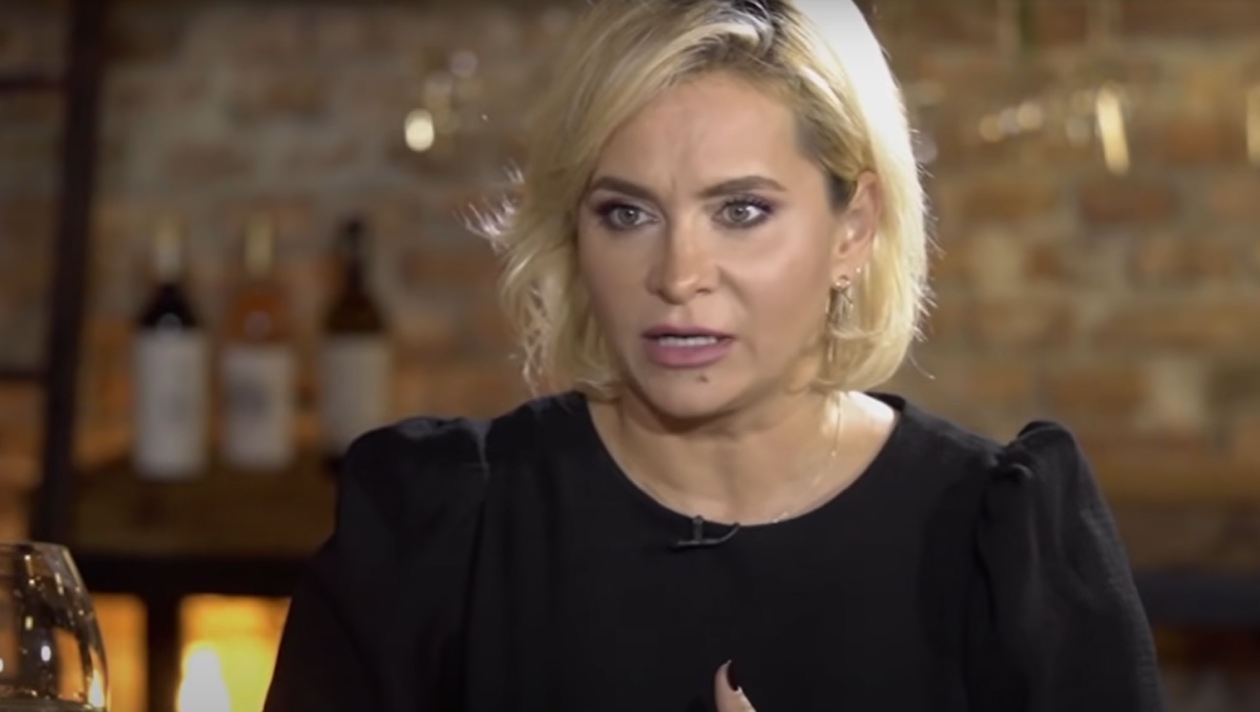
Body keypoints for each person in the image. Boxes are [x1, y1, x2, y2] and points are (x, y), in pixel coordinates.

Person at [263, 0, 1166, 710]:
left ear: (854, 228)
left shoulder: (1001, 546)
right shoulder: (439, 530)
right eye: (627, 213)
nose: (678, 275)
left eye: (741, 211)